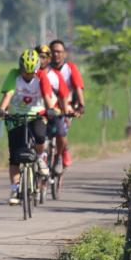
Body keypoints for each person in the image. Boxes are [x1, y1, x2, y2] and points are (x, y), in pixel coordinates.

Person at [0, 49, 58, 206]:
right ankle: (15, 189)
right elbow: (8, 95)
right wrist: (2, 110)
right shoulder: (13, 75)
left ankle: (39, 158)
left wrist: (50, 109)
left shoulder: (41, 76)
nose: (28, 75)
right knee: (15, 155)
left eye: (32, 72)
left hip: (35, 114)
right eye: (25, 72)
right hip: (16, 116)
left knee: (40, 135)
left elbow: (47, 97)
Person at [49, 40, 85, 171]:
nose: (55, 54)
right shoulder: (45, 70)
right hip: (49, 105)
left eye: (59, 52)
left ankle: (62, 152)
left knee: (62, 129)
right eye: (52, 52)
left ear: (64, 54)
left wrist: (81, 106)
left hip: (67, 105)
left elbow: (78, 88)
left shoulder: (70, 68)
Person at [35, 44, 72, 174]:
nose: (41, 60)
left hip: (53, 112)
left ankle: (58, 158)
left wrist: (66, 114)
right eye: (38, 56)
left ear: (49, 59)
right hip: (36, 114)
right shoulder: (29, 74)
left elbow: (63, 96)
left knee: (61, 134)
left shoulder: (55, 75)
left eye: (44, 57)